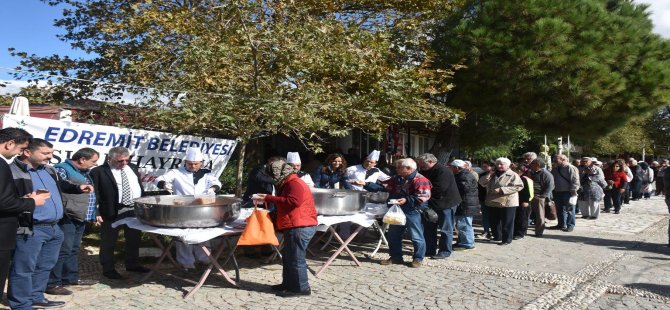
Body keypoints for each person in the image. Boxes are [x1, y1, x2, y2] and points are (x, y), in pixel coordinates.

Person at [8, 139, 92, 310]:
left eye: (51, 153)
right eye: (45, 153)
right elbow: (7, 201)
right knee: (24, 267)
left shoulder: (49, 170)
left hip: (55, 226)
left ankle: (36, 296)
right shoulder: (11, 172)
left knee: (45, 266)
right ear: (27, 152)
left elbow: (61, 185)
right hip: (30, 225)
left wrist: (78, 187)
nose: (50, 157)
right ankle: (20, 304)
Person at [252, 157, 317, 297]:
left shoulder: (294, 183)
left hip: (300, 225)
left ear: (277, 173)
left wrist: (268, 198)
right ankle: (288, 284)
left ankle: (301, 289)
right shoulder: (288, 182)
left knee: (296, 258)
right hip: (295, 224)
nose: (271, 178)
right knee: (288, 257)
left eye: (271, 175)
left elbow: (294, 202)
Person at [0, 128, 49, 306]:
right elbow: (4, 203)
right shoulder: (2, 164)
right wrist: (32, 202)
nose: (21, 154)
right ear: (9, 143)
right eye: (21, 149)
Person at [155, 148, 222, 270]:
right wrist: (165, 184)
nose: (193, 166)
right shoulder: (176, 172)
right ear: (185, 162)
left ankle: (204, 258)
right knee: (184, 236)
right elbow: (159, 179)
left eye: (196, 164)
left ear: (201, 163)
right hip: (182, 209)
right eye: (190, 164)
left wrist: (212, 189)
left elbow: (216, 183)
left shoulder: (207, 173)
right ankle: (186, 262)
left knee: (203, 233)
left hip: (202, 209)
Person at [47, 148, 100, 296]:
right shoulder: (62, 170)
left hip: (80, 216)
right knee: (63, 250)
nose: (94, 165)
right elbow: (59, 189)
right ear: (82, 159)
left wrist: (94, 213)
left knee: (74, 249)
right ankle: (52, 283)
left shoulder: (85, 172)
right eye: (93, 161)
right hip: (68, 216)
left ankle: (70, 278)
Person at [90, 146, 150, 279]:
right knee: (109, 240)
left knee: (134, 238)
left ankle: (132, 263)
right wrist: (96, 211)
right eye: (120, 161)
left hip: (133, 209)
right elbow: (95, 193)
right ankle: (108, 268)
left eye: (126, 160)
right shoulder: (99, 171)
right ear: (109, 158)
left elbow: (138, 186)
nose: (124, 163)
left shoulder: (132, 168)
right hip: (112, 210)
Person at [381, 158, 432, 267]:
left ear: (408, 168)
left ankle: (418, 259)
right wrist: (367, 183)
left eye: (399, 167)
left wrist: (406, 200)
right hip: (398, 210)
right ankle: (396, 257)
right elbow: (386, 186)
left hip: (413, 211)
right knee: (393, 235)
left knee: (416, 236)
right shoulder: (398, 178)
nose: (397, 169)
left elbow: (423, 196)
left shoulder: (420, 179)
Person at [415, 154, 460, 259]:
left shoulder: (443, 171)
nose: (420, 165)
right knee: (429, 228)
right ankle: (430, 250)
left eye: (422, 163)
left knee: (445, 229)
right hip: (431, 203)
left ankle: (444, 251)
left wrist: (422, 194)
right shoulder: (424, 170)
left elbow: (439, 189)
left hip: (445, 204)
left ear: (430, 161)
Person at [479, 157, 523, 245]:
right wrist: (489, 174)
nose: (499, 166)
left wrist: (502, 190)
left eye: (501, 164)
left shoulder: (513, 175)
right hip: (493, 201)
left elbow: (519, 186)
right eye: (497, 164)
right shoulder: (492, 174)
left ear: (508, 165)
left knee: (507, 221)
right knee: (494, 220)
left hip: (508, 202)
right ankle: (497, 237)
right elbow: (482, 183)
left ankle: (506, 239)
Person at [449, 159, 479, 250]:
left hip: (465, 204)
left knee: (464, 224)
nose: (450, 169)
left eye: (452, 167)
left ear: (457, 168)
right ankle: (462, 241)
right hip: (464, 203)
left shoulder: (465, 176)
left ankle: (467, 243)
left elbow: (464, 188)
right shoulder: (461, 175)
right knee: (461, 225)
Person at [550, 154, 580, 232]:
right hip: (557, 191)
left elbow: (575, 180)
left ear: (563, 159)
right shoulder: (556, 168)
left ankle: (570, 225)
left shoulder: (570, 167)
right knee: (560, 209)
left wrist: (574, 191)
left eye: (556, 160)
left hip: (568, 192)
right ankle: (561, 224)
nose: (554, 161)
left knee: (570, 209)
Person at [528, 158, 554, 237]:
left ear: (538, 165)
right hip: (531, 196)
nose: (530, 165)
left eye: (532, 164)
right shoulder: (533, 172)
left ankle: (539, 232)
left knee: (540, 215)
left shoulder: (546, 174)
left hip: (539, 197)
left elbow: (550, 186)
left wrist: (542, 196)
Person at [512, 164, 534, 240]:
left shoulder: (525, 179)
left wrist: (526, 201)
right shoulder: (517, 178)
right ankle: (515, 232)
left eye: (514, 170)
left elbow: (528, 191)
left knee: (522, 218)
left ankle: (520, 233)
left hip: (524, 202)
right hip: (516, 201)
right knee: (517, 218)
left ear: (519, 171)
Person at [477, 160, 494, 239]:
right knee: (485, 216)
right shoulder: (482, 175)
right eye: (483, 166)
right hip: (484, 198)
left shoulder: (497, 174)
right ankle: (486, 231)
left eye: (485, 166)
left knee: (494, 216)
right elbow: (481, 185)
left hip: (494, 198)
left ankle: (494, 231)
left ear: (492, 166)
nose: (483, 168)